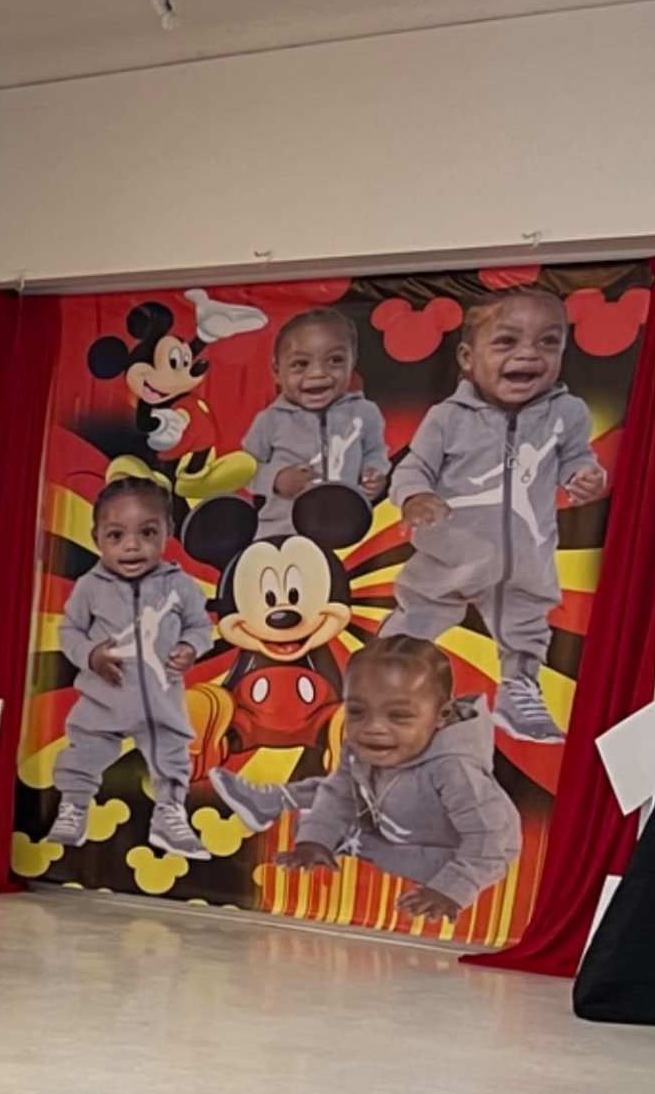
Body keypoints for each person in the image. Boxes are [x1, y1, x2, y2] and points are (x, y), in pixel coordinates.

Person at [390, 287, 607, 745]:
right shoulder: (447, 417)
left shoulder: (567, 413)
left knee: (526, 620)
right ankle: (386, 677)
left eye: (548, 342)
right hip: (452, 549)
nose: (529, 354)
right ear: (468, 357)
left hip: (523, 554)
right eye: (507, 342)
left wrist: (583, 475)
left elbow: (575, 458)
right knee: (421, 611)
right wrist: (416, 497)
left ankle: (520, 687)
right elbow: (414, 467)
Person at [214, 634, 522, 926]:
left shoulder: (455, 769)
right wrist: (315, 841)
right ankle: (278, 803)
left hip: (447, 851)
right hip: (390, 818)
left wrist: (451, 889)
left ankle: (350, 839)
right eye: (357, 711)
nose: (373, 727)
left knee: (421, 861)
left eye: (399, 716)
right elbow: (339, 793)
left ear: (442, 715)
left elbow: (492, 840)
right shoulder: (365, 745)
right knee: (324, 804)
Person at [51, 475, 219, 857]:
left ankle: (169, 813)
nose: (132, 546)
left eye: (147, 533)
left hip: (160, 704)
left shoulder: (181, 586)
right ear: (97, 538)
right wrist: (91, 655)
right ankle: (73, 806)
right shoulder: (90, 586)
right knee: (84, 752)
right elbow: (69, 631)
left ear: (167, 533)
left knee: (172, 754)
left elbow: (200, 627)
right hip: (103, 701)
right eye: (116, 536)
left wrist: (191, 647)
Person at [242, 307, 391, 544]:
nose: (318, 374)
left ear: (353, 362)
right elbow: (244, 470)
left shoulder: (365, 412)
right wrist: (276, 479)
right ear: (276, 371)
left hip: (347, 532)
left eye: (335, 360)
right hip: (282, 532)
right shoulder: (269, 420)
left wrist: (375, 473)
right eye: (300, 364)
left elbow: (376, 452)